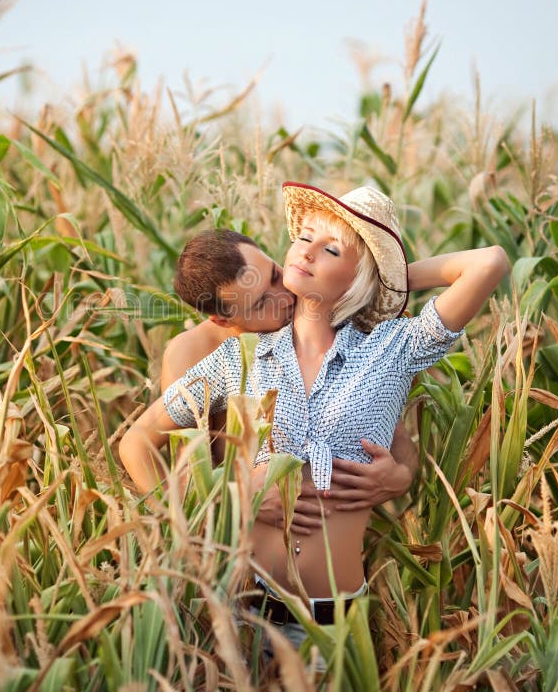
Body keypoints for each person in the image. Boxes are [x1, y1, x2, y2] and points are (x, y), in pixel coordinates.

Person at [119, 182, 509, 645]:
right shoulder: (227, 358)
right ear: (224, 317)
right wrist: (229, 496)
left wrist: (384, 275)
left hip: (333, 623)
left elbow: (489, 264)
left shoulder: (386, 348)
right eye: (303, 239)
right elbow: (146, 448)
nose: (287, 283)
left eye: (275, 273)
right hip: (242, 613)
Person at [161, 228, 419, 534]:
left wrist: (401, 477)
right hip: (242, 554)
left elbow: (394, 435)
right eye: (260, 304)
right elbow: (186, 470)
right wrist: (240, 502)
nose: (284, 298)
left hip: (333, 547)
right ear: (223, 320)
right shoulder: (195, 352)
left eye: (273, 274)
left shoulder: (318, 313)